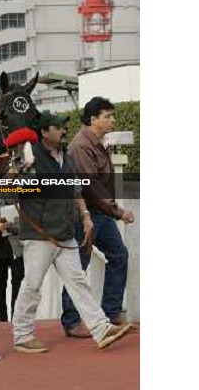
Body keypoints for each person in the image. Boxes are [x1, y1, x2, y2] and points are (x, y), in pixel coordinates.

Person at [11, 110, 133, 353]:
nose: (63, 130)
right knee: (32, 284)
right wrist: (22, 173)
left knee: (78, 281)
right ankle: (22, 335)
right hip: (40, 235)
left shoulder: (65, 156)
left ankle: (100, 328)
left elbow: (75, 188)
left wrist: (86, 216)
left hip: (65, 231)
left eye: (63, 127)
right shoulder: (29, 156)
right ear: (44, 132)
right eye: (57, 127)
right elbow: (14, 189)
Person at [61, 97, 136, 338]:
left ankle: (111, 311)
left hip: (100, 214)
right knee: (78, 268)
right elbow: (91, 187)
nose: (112, 120)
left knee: (118, 255)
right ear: (93, 119)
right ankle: (71, 321)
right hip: (86, 215)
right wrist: (118, 212)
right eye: (108, 116)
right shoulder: (81, 146)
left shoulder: (96, 142)